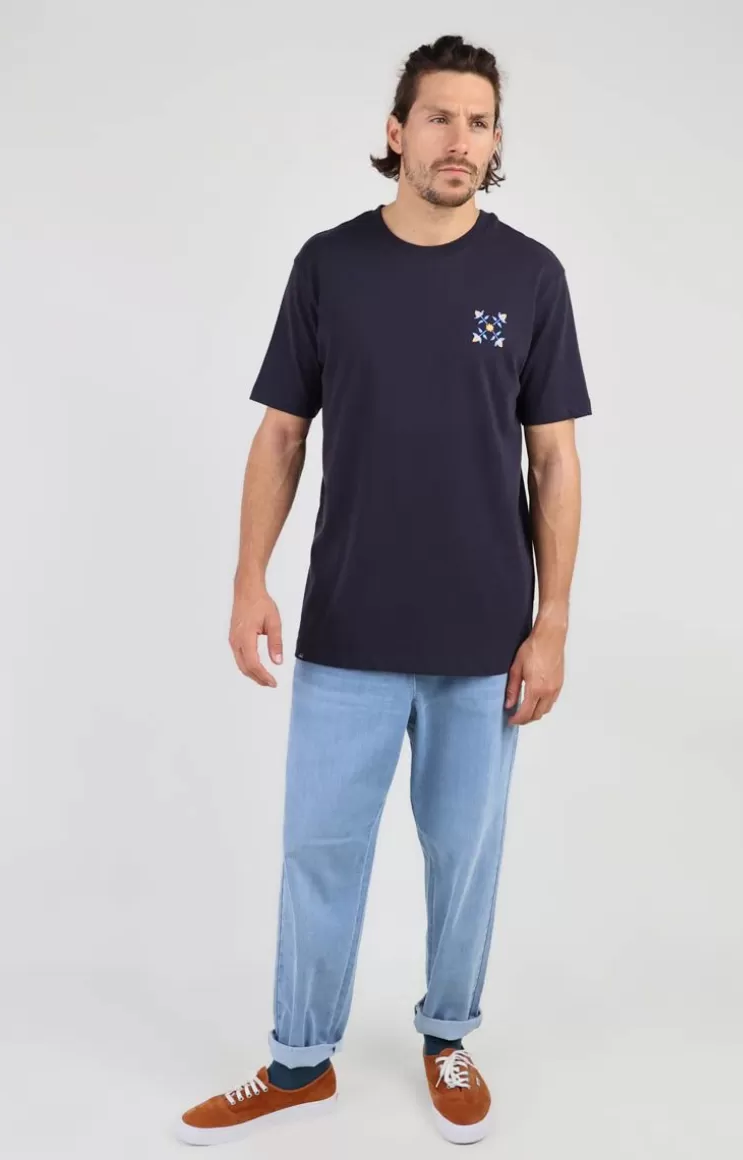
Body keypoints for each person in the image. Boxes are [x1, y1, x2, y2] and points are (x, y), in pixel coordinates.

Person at [177, 33, 592, 1147]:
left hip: (484, 636)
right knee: (319, 849)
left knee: (464, 856)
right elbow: (280, 435)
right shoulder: (330, 266)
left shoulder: (529, 277)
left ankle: (447, 1034)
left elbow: (553, 460)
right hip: (347, 626)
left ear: (496, 142)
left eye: (480, 121)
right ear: (397, 131)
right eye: (440, 117)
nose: (460, 139)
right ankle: (297, 1058)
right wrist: (248, 581)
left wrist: (551, 622)